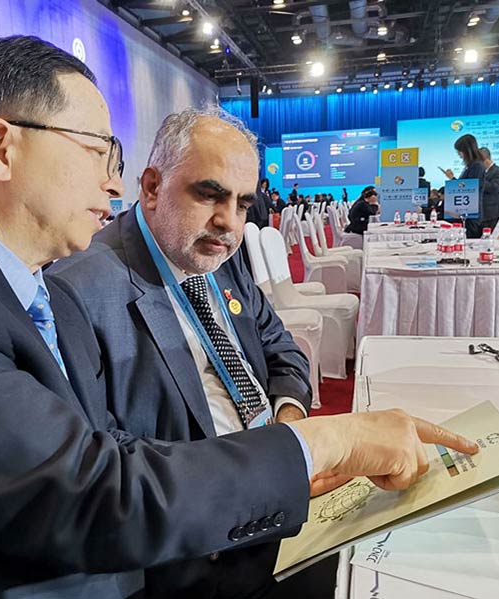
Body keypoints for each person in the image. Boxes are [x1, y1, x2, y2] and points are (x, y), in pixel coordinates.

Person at [0, 35, 478, 599]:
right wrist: (327, 443)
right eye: (96, 152)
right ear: (0, 146)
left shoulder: (24, 286)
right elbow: (90, 493)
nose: (112, 183)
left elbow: (110, 450)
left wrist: (289, 450)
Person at [51, 107, 339, 598]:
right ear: (151, 187)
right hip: (204, 544)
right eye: (209, 194)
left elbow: (281, 348)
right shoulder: (80, 287)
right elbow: (103, 459)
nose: (229, 222)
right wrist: (262, 470)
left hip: (282, 484)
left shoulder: (220, 255)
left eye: (243, 203)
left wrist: (287, 420)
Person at [443, 134, 485, 229]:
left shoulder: (477, 166)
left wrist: (453, 181)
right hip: (464, 211)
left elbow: (469, 188)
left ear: (467, 150)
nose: (458, 154)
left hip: (470, 213)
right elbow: (464, 186)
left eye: (459, 151)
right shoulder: (470, 166)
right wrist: (452, 179)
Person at [477, 147, 499, 233]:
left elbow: (495, 187)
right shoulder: (480, 172)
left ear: (486, 160)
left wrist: (478, 180)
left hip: (492, 214)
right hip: (479, 213)